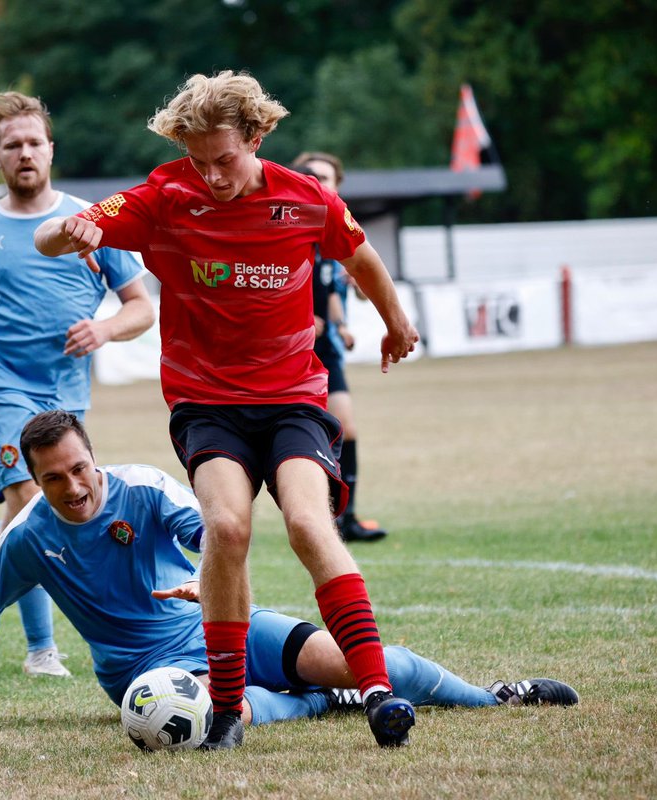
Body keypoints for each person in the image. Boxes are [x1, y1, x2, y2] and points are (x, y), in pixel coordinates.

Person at [35, 71, 420, 749]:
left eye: (225, 158)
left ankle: (378, 692)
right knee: (227, 526)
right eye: (198, 160)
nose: (211, 175)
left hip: (293, 396)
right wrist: (72, 231)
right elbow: (56, 236)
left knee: (307, 522)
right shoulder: (164, 195)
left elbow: (359, 256)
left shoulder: (306, 200)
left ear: (258, 135)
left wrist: (395, 321)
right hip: (206, 400)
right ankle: (228, 710)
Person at [0, 411, 579, 733]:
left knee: (360, 657)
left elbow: (216, 534)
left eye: (80, 469)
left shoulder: (144, 489)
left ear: (94, 459)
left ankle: (492, 696)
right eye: (54, 478)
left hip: (217, 622)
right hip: (143, 675)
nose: (73, 487)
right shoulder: (29, 537)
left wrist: (205, 577)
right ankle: (323, 703)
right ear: (35, 481)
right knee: (223, 711)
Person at [0, 91, 155, 677]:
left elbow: (141, 308)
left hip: (63, 393)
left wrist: (103, 330)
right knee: (28, 501)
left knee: (57, 506)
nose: (25, 152)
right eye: (12, 144)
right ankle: (41, 651)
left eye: (34, 142)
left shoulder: (93, 222)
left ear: (51, 149)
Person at [292, 152, 387, 543]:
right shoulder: (293, 226)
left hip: (326, 345)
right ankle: (321, 518)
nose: (319, 183)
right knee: (310, 434)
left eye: (326, 178)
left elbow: (337, 289)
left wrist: (341, 321)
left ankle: (343, 518)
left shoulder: (337, 232)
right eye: (311, 177)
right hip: (293, 349)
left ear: (338, 185)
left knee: (344, 427)